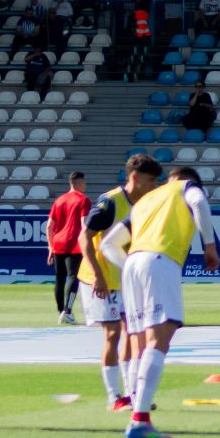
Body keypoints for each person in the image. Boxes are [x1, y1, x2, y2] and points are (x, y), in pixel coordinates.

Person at [96, 168, 220, 438]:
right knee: (159, 339)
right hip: (160, 260)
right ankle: (140, 420)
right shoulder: (186, 187)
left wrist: (129, 264)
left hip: (132, 266)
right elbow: (199, 202)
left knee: (139, 342)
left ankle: (137, 409)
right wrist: (209, 246)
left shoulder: (146, 200)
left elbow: (108, 244)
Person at [79, 155, 162, 411]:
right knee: (113, 333)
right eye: (150, 180)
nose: (154, 186)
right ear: (135, 178)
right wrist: (99, 276)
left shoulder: (146, 205)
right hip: (101, 279)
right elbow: (85, 238)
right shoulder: (110, 202)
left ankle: (131, 393)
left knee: (132, 333)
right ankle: (113, 397)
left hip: (126, 279)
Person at [45, 172, 91, 326]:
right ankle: (68, 311)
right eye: (84, 183)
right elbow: (84, 224)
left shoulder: (59, 200)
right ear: (79, 183)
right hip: (75, 243)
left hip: (58, 243)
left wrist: (50, 246)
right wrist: (87, 244)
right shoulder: (84, 200)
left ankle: (61, 312)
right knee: (73, 277)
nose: (85, 186)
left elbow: (49, 226)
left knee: (60, 278)